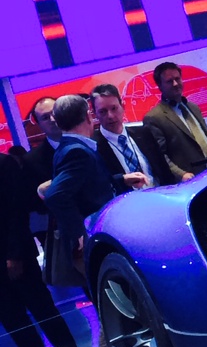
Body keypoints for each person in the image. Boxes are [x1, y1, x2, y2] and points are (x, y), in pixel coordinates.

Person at [0, 149, 83, 347]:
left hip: (16, 253)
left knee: (42, 306)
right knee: (12, 318)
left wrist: (14, 254)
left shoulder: (4, 164)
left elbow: (16, 214)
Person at [40, 95, 138, 284]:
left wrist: (122, 180)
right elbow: (55, 195)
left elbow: (86, 186)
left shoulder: (69, 147)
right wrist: (79, 233)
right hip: (94, 235)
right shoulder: (77, 151)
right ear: (88, 116)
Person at [143, 62, 207, 181]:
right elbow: (159, 156)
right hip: (191, 181)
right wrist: (181, 174)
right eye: (169, 81)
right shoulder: (154, 118)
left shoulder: (193, 107)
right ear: (160, 86)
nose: (175, 84)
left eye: (177, 79)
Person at [91, 83, 172, 190]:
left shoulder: (143, 133)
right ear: (95, 114)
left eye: (114, 108)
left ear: (123, 106)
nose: (110, 116)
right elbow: (97, 185)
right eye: (103, 111)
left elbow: (164, 171)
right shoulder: (93, 147)